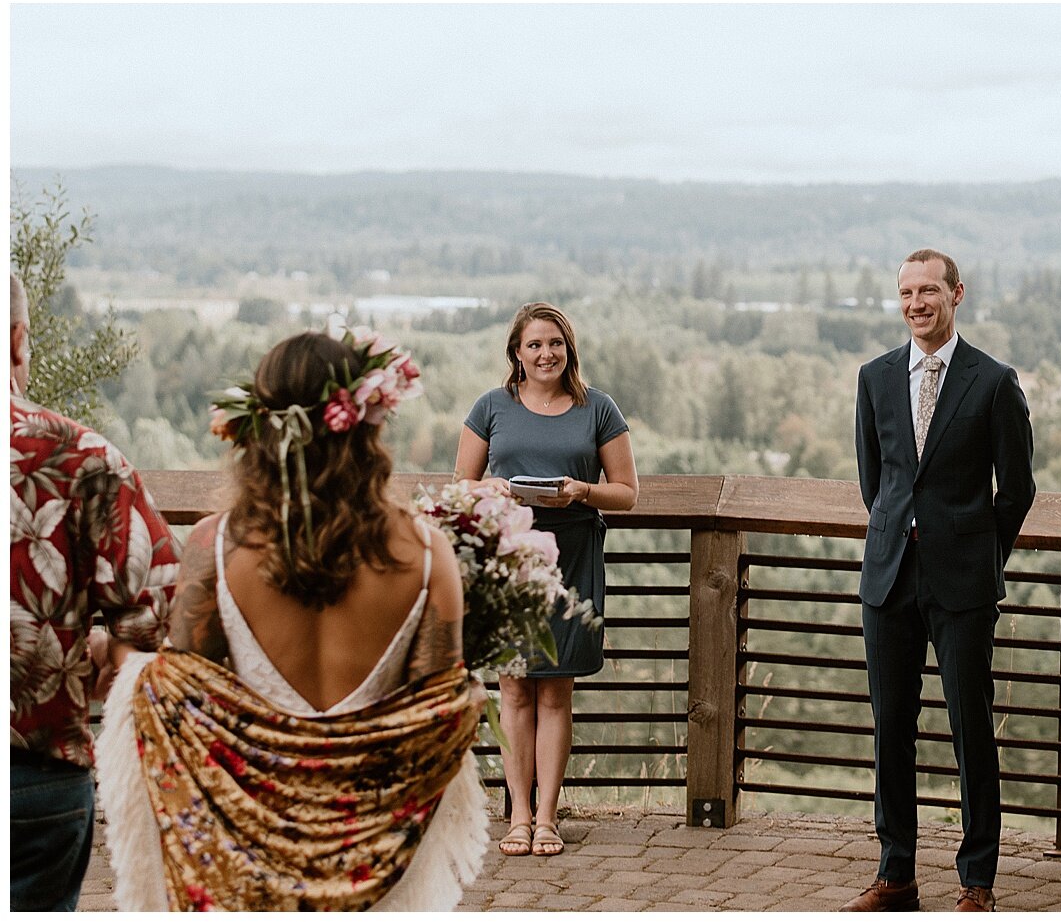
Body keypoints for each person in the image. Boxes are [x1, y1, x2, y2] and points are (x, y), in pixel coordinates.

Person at [95, 329, 489, 911]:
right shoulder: (428, 555)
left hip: (245, 861)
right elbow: (435, 720)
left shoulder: (215, 547)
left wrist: (119, 659)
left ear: (256, 430)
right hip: (375, 862)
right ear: (368, 425)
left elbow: (186, 703)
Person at [846, 249, 1035, 912]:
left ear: (958, 293)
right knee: (891, 726)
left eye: (929, 290)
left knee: (970, 728)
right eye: (905, 291)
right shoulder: (874, 378)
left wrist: (979, 556)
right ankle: (895, 873)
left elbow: (1016, 490)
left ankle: (977, 879)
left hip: (963, 584)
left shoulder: (993, 381)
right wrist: (901, 533)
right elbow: (878, 482)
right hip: (889, 577)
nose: (916, 302)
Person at [10, 274, 180, 911]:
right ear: (20, 340)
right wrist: (93, 656)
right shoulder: (79, 456)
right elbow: (160, 613)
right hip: (32, 775)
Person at [454, 301, 638, 857]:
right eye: (534, 344)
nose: (545, 353)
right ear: (516, 352)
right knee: (513, 688)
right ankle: (517, 817)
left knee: (557, 689)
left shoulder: (598, 409)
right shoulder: (491, 407)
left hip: (574, 555)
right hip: (509, 559)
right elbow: (462, 487)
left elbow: (627, 493)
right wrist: (504, 490)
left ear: (569, 350)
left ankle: (548, 818)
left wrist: (581, 491)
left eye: (554, 343)